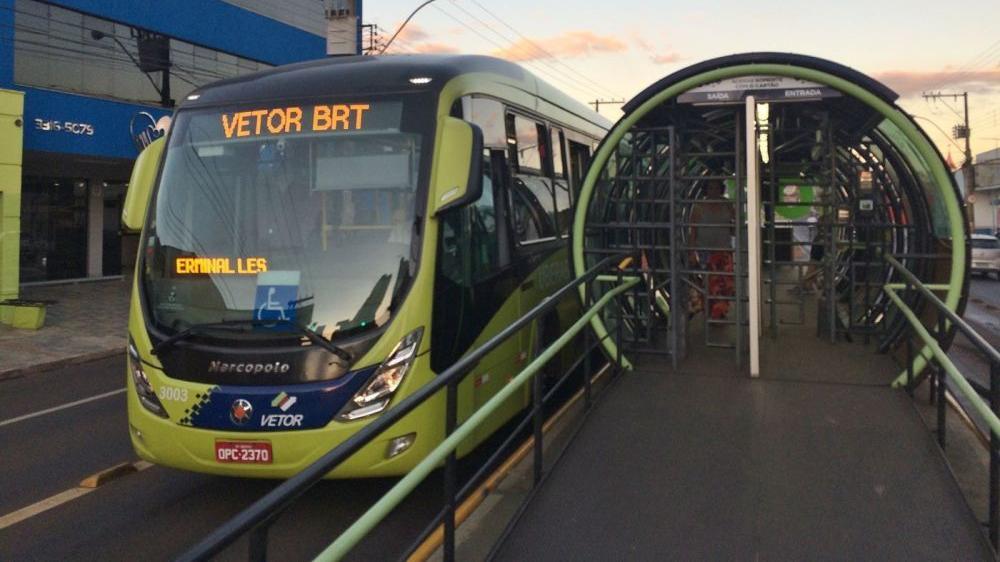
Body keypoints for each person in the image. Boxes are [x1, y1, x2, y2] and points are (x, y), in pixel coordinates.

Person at [688, 179, 735, 319]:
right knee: (710, 283)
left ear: (721, 189)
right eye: (710, 188)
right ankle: (712, 312)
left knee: (725, 283)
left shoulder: (727, 204)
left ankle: (719, 311)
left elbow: (736, 222)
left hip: (724, 249)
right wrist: (691, 252)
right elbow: (693, 230)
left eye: (716, 188)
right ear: (705, 190)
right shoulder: (698, 206)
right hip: (705, 251)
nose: (713, 191)